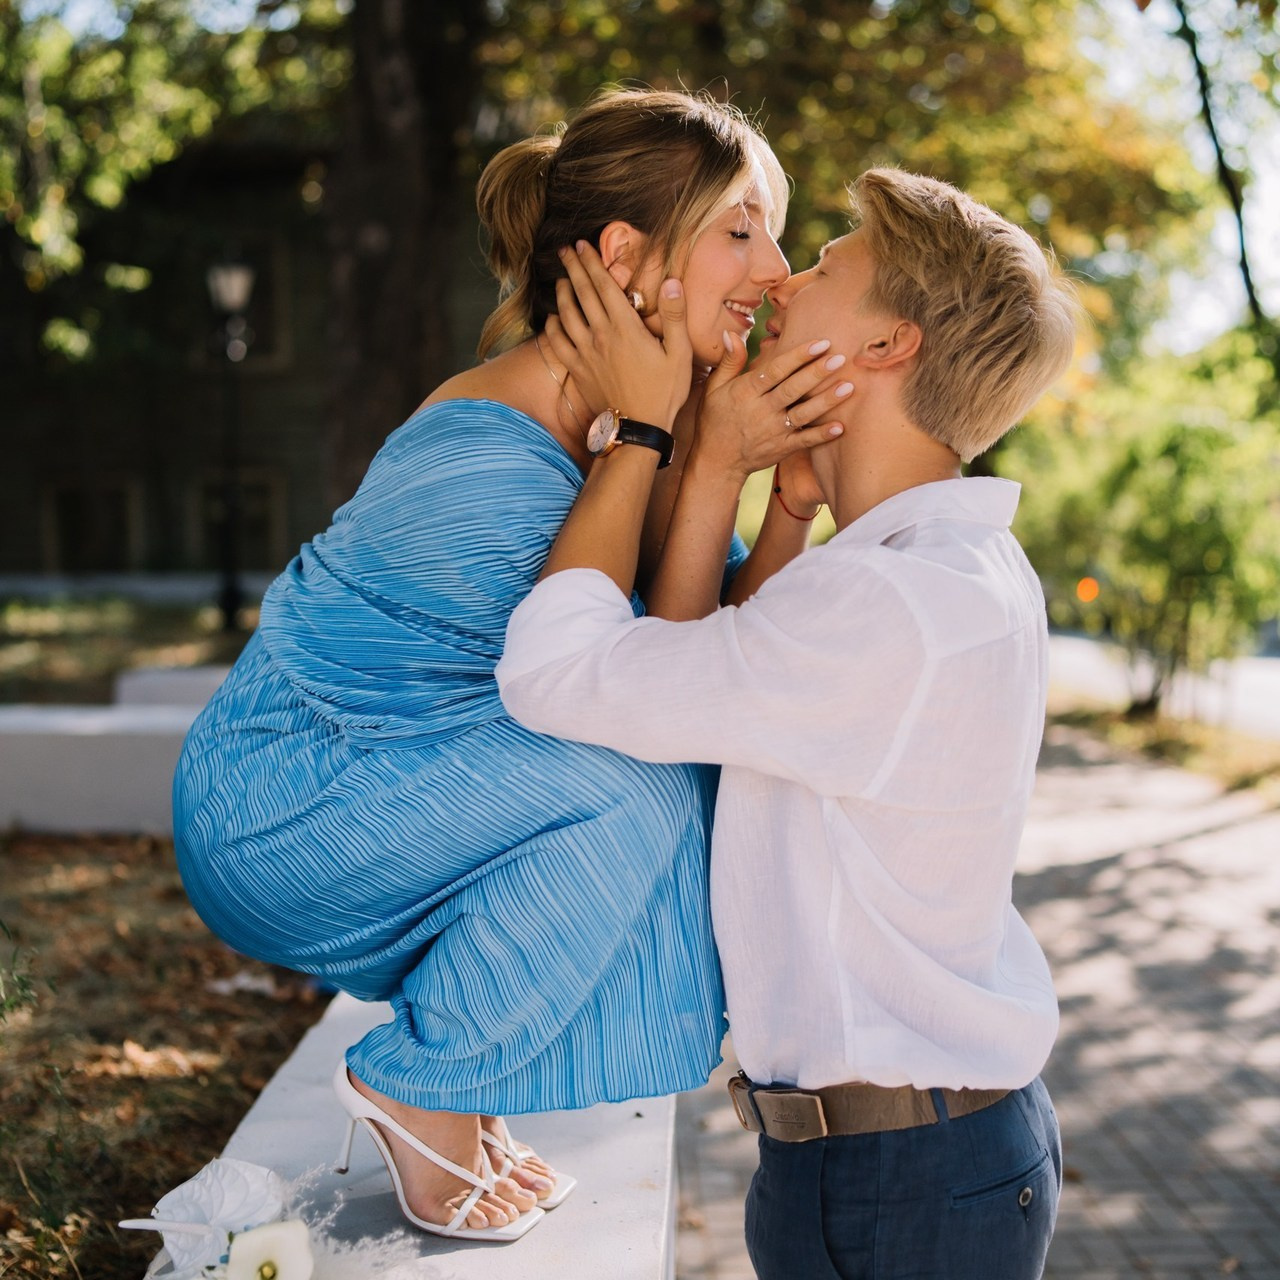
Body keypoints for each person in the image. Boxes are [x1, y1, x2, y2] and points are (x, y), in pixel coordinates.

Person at [171, 88, 837, 1243]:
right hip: (275, 800)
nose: (773, 269)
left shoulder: (634, 418)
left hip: (396, 788)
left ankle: (462, 1085)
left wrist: (779, 501)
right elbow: (638, 695)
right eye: (741, 230)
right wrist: (668, 444)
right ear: (624, 257)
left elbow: (710, 664)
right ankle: (422, 1078)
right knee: (636, 786)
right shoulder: (488, 454)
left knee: (679, 775)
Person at [497, 167, 1081, 1276]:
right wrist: (779, 493)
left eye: (821, 267)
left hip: (895, 1182)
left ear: (886, 345)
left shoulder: (881, 605)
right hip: (926, 1153)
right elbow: (702, 686)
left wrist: (644, 431)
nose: (780, 279)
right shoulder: (953, 565)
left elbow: (555, 674)